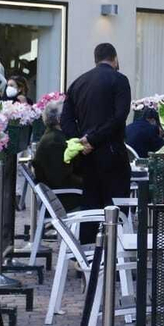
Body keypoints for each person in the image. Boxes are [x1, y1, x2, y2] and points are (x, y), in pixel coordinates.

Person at [61, 42, 132, 210]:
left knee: (90, 208)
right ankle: (114, 237)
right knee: (116, 212)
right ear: (115, 59)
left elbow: (65, 119)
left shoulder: (77, 83)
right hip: (112, 154)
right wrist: (92, 140)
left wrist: (80, 142)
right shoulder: (120, 80)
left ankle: (86, 238)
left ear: (96, 60)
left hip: (86, 159)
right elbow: (119, 116)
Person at [31, 102, 84, 212]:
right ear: (60, 119)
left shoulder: (55, 136)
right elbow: (62, 178)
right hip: (65, 200)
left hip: (62, 196)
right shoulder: (54, 141)